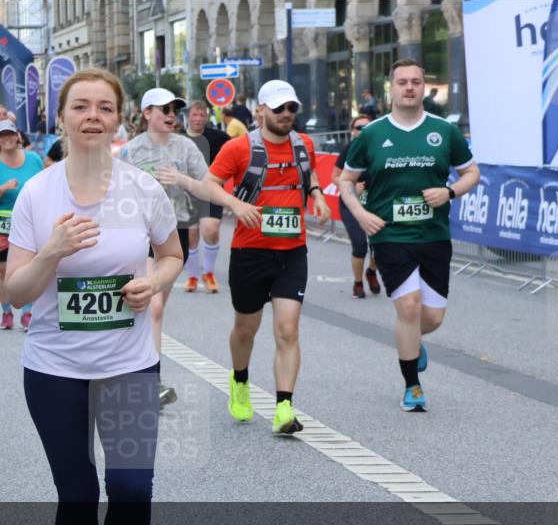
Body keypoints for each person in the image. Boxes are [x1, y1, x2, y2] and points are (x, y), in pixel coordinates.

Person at [4, 67, 180, 525]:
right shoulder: (37, 193)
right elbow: (16, 294)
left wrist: (152, 281)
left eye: (105, 107)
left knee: (132, 488)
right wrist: (52, 251)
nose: (93, 116)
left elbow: (172, 252)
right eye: (80, 106)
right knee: (77, 490)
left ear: (118, 120)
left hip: (129, 361)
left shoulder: (143, 188)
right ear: (61, 118)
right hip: (55, 366)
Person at [339, 58, 480, 412]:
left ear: (423, 86)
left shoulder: (443, 131)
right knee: (408, 306)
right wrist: (361, 213)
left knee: (431, 318)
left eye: (416, 81)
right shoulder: (372, 134)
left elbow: (471, 172)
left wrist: (449, 192)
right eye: (402, 82)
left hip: (433, 233)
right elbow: (345, 180)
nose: (410, 88)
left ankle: (413, 344)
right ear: (392, 88)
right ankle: (412, 386)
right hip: (389, 235)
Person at [204, 79, 332, 436]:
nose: (287, 115)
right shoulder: (238, 148)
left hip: (292, 251)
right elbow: (208, 183)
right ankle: (240, 379)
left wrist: (318, 195)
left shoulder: (303, 144)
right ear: (261, 111)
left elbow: (310, 177)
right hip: (250, 251)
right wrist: (235, 203)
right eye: (279, 109)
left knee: (287, 329)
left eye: (292, 108)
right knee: (246, 329)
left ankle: (284, 407)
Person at [118, 87, 208, 408]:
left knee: (154, 308)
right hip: (139, 234)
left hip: (173, 234)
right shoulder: (128, 152)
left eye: (175, 110)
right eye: (164, 109)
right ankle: (150, 381)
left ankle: (141, 375)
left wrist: (182, 180)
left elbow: (209, 185)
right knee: (152, 307)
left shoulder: (186, 148)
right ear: (146, 114)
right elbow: (111, 189)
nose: (171, 115)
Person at [0, 120, 43, 330]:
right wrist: (3, 188)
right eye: (2, 136)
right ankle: (6, 312)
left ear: (18, 137)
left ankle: (27, 312)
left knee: (29, 269)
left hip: (29, 225)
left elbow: (46, 186)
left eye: (10, 134)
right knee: (2, 271)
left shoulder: (33, 159)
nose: (6, 139)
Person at [181, 101, 230, 293]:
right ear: (188, 116)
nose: (198, 119)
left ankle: (208, 273)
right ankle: (192, 276)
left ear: (207, 117)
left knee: (211, 230)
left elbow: (239, 151)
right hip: (187, 195)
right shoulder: (179, 139)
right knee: (191, 236)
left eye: (202, 115)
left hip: (211, 191)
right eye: (195, 115)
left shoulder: (219, 137)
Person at [332, 116, 381, 298]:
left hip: (376, 204)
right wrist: (352, 187)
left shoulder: (382, 148)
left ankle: (372, 272)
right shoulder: (348, 149)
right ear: (352, 131)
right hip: (351, 204)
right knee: (360, 245)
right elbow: (335, 177)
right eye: (359, 127)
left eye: (367, 127)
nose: (363, 130)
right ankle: (358, 283)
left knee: (380, 246)